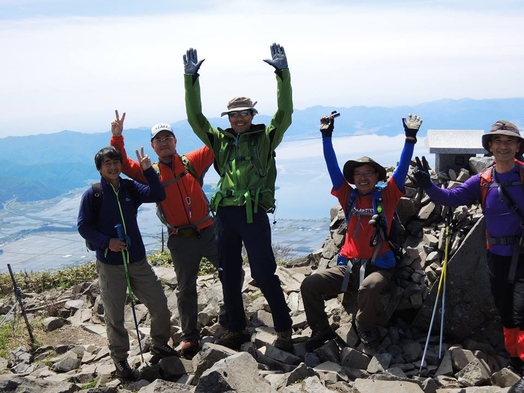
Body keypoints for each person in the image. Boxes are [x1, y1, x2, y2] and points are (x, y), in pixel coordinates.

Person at [182, 43, 294, 351]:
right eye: (234, 115)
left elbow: (285, 113)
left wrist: (282, 74)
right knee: (228, 273)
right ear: (229, 118)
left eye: (244, 113)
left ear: (252, 114)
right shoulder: (221, 141)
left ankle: (284, 328)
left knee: (263, 271)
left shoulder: (266, 137)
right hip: (225, 215)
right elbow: (195, 118)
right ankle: (235, 328)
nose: (239, 118)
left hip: (252, 212)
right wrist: (191, 79)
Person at [412, 120, 524, 393]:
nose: (503, 146)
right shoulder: (483, 180)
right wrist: (427, 185)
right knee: (506, 312)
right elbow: (451, 198)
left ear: (518, 146)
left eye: (509, 141)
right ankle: (515, 362)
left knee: (521, 311)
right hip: (496, 256)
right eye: (497, 141)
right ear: (489, 147)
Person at [300, 113, 422, 353]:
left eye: (368, 173)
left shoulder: (387, 196)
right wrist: (326, 136)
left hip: (379, 267)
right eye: (358, 174)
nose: (363, 177)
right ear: (352, 179)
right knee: (309, 284)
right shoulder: (349, 196)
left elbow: (402, 167)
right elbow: (331, 166)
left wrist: (410, 138)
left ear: (377, 177)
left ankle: (364, 326)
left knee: (369, 287)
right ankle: (320, 329)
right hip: (347, 266)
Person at [110, 110, 219, 359]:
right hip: (180, 238)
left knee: (231, 272)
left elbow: (214, 143)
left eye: (167, 137)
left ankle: (234, 321)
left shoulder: (192, 161)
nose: (164, 142)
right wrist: (117, 137)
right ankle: (190, 337)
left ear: (175, 141)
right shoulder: (151, 172)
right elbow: (124, 165)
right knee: (185, 288)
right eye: (158, 139)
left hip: (208, 230)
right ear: (153, 146)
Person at [77, 146, 176, 379]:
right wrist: (107, 242)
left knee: (160, 304)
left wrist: (148, 170)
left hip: (137, 260)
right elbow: (83, 226)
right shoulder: (94, 194)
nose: (112, 167)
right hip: (110, 264)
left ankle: (160, 343)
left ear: (121, 165)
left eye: (115, 162)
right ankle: (120, 360)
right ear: (100, 168)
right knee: (115, 316)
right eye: (107, 164)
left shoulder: (129, 187)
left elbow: (158, 194)